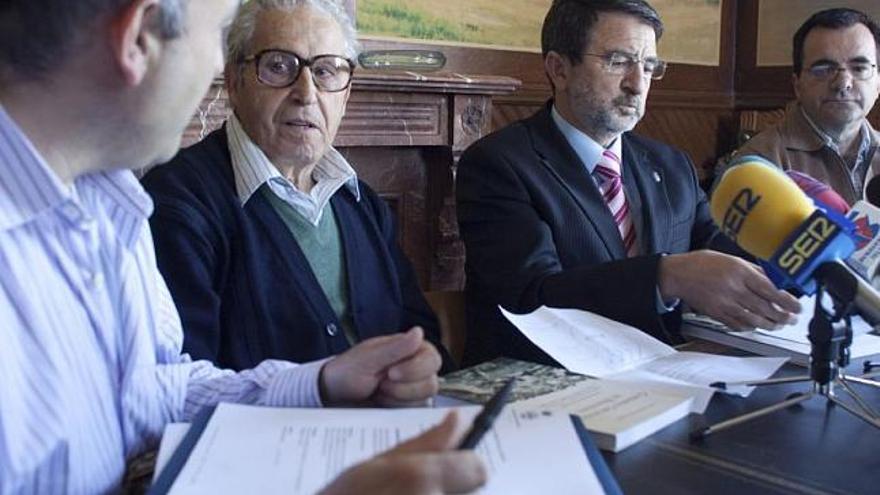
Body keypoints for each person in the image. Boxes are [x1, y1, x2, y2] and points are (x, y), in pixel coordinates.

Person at [0, 0, 484, 492]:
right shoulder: (170, 200)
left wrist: (322, 382)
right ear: (139, 37)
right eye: (214, 35)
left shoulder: (108, 205)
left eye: (328, 71)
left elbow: (157, 390)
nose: (213, 63)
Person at [455, 0, 801, 366]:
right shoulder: (499, 164)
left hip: (668, 375)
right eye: (618, 61)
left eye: (649, 66)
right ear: (559, 69)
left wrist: (794, 251)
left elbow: (718, 251)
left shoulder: (670, 165)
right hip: (543, 388)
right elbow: (531, 299)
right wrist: (666, 276)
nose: (637, 84)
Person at [141, 0, 450, 373]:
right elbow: (184, 383)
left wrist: (415, 375)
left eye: (326, 71)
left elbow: (421, 335)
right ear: (235, 81)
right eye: (278, 66)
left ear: (345, 95)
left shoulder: (362, 202)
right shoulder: (178, 201)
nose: (306, 93)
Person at [728, 8, 880, 204]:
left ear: (877, 84)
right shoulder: (759, 162)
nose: (843, 83)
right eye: (824, 69)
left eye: (860, 68)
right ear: (797, 85)